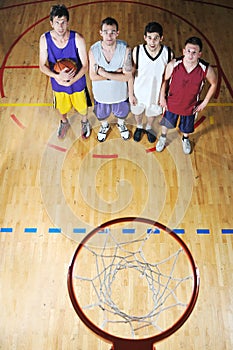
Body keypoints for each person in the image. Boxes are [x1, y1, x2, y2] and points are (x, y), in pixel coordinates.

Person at [156, 36, 217, 154]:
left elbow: (214, 84)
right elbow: (165, 80)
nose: (190, 55)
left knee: (187, 127)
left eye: (194, 52)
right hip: (171, 104)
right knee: (166, 123)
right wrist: (162, 96)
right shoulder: (174, 64)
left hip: (190, 106)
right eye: (188, 51)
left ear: (199, 54)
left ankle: (185, 139)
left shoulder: (206, 69)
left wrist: (205, 102)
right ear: (184, 51)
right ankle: (163, 137)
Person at [39, 4, 91, 139]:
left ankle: (85, 122)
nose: (60, 26)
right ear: (51, 23)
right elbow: (42, 66)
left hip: (77, 81)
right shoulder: (45, 39)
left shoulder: (78, 38)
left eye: (63, 22)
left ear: (67, 22)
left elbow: (85, 66)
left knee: (82, 107)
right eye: (57, 23)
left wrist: (71, 81)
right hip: (58, 82)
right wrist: (57, 76)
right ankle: (64, 122)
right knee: (62, 107)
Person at [89, 17, 133, 142]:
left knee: (122, 114)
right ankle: (104, 126)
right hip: (101, 95)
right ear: (100, 32)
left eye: (113, 32)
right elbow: (92, 76)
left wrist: (103, 72)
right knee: (101, 115)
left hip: (120, 94)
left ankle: (121, 124)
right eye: (106, 32)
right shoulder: (93, 51)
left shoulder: (126, 49)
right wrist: (116, 73)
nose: (109, 35)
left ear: (117, 33)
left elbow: (128, 76)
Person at [130, 22, 174, 143]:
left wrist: (163, 95)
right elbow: (131, 74)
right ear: (145, 38)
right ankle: (139, 126)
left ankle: (149, 127)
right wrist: (131, 94)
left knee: (152, 113)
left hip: (156, 92)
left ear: (161, 38)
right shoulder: (137, 51)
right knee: (138, 113)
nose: (152, 42)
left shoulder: (168, 54)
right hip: (138, 91)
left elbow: (167, 77)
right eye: (149, 38)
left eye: (156, 38)